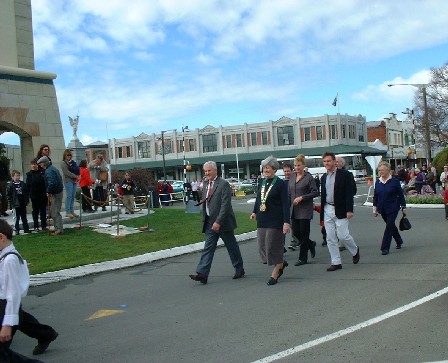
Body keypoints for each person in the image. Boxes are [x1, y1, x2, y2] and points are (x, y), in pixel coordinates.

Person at [189, 161, 245, 284]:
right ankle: (202, 273)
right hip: (209, 222)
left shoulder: (223, 184)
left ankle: (239, 269)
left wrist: (218, 221)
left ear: (215, 171)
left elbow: (225, 205)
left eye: (209, 170)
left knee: (231, 247)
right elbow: (206, 202)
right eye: (205, 171)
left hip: (223, 223)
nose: (207, 173)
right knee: (208, 248)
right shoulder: (204, 184)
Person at [0, 219, 45, 362]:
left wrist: (7, 324)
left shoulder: (9, 260)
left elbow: (13, 294)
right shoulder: (6, 256)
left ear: (1, 237)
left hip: (5, 309)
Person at [250, 156, 290, 285]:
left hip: (276, 220)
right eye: (264, 168)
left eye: (267, 167)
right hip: (263, 219)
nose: (265, 170)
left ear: (274, 169)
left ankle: (276, 272)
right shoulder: (262, 182)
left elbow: (285, 203)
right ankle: (281, 262)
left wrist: (286, 222)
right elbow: (258, 199)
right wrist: (254, 211)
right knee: (262, 246)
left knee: (272, 246)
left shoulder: (281, 183)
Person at [320, 152, 360, 271]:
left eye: (329, 161)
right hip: (328, 208)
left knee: (343, 236)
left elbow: (350, 192)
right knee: (330, 237)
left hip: (341, 209)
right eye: (325, 161)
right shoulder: (323, 177)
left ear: (334, 162)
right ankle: (336, 262)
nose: (326, 163)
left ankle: (355, 250)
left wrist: (349, 209)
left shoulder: (345, 175)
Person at [288, 154, 319, 266]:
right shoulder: (292, 176)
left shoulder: (308, 177)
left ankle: (303, 258)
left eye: (299, 165)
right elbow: (289, 193)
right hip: (294, 210)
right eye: (295, 165)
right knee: (296, 233)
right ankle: (310, 244)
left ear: (303, 165)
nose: (297, 167)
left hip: (305, 210)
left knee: (304, 233)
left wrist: (302, 197)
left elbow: (315, 192)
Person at [373, 162, 407, 255]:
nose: (381, 172)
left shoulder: (394, 181)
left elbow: (400, 195)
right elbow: (376, 196)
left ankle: (385, 247)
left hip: (393, 208)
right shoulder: (378, 181)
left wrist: (403, 207)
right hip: (382, 208)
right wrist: (374, 208)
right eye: (379, 170)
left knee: (389, 226)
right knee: (391, 225)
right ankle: (399, 240)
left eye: (383, 170)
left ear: (388, 170)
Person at [37, 156, 64, 236]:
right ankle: (58, 228)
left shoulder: (48, 171)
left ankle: (59, 230)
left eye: (41, 164)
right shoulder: (52, 168)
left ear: (44, 163)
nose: (40, 165)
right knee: (54, 211)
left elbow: (52, 183)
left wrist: (48, 191)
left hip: (55, 193)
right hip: (58, 191)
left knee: (55, 212)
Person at [6, 170, 31, 235]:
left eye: (18, 175)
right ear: (13, 177)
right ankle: (17, 229)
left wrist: (26, 200)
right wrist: (11, 202)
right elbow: (8, 195)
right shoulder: (10, 185)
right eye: (16, 176)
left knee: (24, 217)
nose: (18, 177)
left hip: (22, 202)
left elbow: (26, 192)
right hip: (15, 203)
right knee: (16, 218)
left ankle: (26, 228)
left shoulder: (22, 184)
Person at [26, 159, 47, 231]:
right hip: (34, 195)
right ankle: (36, 226)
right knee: (35, 211)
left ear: (37, 165)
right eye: (32, 164)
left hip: (42, 194)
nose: (34, 166)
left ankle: (44, 225)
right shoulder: (29, 174)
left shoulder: (42, 173)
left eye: (35, 164)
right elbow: (28, 186)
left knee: (43, 210)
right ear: (30, 165)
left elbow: (44, 183)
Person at [282, 162, 299, 251]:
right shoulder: (282, 182)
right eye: (285, 171)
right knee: (282, 227)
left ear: (292, 171)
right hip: (284, 207)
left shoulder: (295, 181)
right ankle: (281, 245)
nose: (287, 173)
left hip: (294, 206)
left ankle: (295, 241)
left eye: (288, 171)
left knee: (294, 226)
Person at [60, 149, 80, 218]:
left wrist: (78, 176)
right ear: (65, 156)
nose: (69, 156)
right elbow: (67, 172)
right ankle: (68, 211)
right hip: (68, 180)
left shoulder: (72, 162)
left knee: (73, 196)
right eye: (68, 155)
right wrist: (75, 176)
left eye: (70, 155)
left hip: (74, 180)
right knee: (69, 196)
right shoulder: (63, 163)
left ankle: (72, 210)